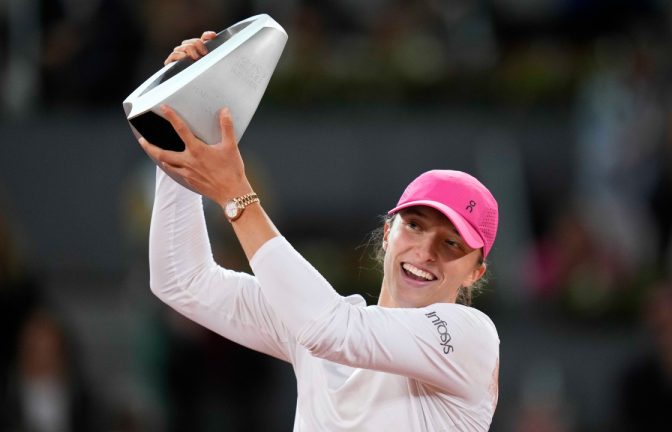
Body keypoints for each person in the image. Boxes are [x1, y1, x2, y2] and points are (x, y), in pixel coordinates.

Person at [137, 32, 500, 431]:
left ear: (474, 273)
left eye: (451, 243)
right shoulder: (321, 320)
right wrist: (179, 125)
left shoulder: (470, 339)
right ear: (386, 234)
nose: (426, 250)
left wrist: (236, 194)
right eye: (414, 226)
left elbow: (333, 332)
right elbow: (182, 281)